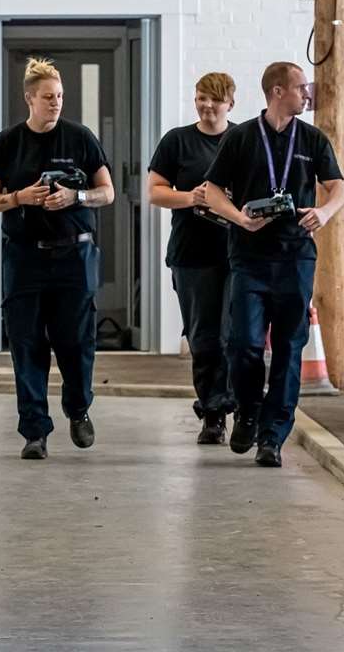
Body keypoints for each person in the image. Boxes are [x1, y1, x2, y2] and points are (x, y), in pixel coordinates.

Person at [203, 61, 344, 469]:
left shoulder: (313, 138)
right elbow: (212, 190)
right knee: (244, 344)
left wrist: (326, 212)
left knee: (289, 348)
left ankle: (273, 435)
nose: (307, 93)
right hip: (249, 257)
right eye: (301, 87)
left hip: (296, 256)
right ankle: (248, 410)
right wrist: (240, 218)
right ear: (277, 91)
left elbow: (338, 186)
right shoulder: (242, 138)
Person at [0, 58, 115, 460]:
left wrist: (76, 197)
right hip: (25, 258)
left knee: (75, 342)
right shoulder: (7, 143)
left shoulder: (81, 138)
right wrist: (19, 198)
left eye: (59, 96)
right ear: (29, 99)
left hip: (75, 254)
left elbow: (106, 192)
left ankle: (78, 409)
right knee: (26, 344)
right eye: (47, 97)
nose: (55, 103)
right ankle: (35, 430)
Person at [147, 72, 237, 444]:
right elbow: (154, 191)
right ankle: (212, 412)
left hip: (238, 253)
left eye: (215, 99)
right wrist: (192, 198)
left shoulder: (242, 139)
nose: (207, 105)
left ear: (230, 103)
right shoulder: (177, 141)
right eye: (201, 97)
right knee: (204, 338)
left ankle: (240, 405)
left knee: (237, 334)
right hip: (192, 255)